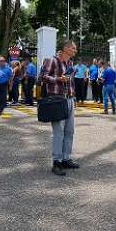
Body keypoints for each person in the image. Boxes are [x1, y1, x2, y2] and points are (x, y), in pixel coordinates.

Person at [40, 40, 79, 176]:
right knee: (59, 132)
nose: (75, 51)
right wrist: (58, 79)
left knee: (69, 131)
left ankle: (66, 159)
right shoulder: (52, 60)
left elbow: (70, 82)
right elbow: (42, 77)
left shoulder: (70, 63)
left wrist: (73, 97)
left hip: (69, 99)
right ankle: (56, 162)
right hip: (56, 100)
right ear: (66, 48)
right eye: (73, 48)